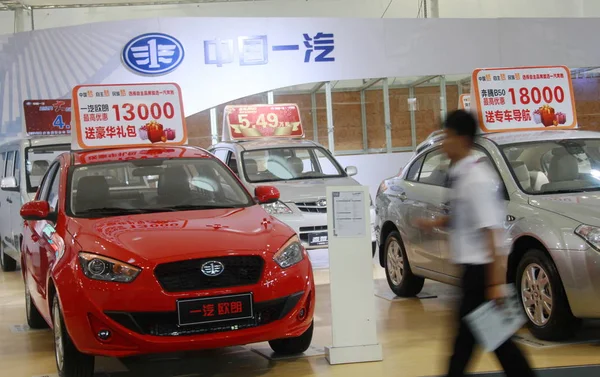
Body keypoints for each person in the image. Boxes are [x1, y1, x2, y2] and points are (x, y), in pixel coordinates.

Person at [416, 110, 536, 377]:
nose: (443, 143)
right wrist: (435, 223)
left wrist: (495, 284)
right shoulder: (464, 174)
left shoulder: (477, 179)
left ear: (461, 139)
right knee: (488, 344)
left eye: (446, 137)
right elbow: (466, 217)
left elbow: (492, 231)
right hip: (473, 273)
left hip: (481, 274)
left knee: (474, 346)